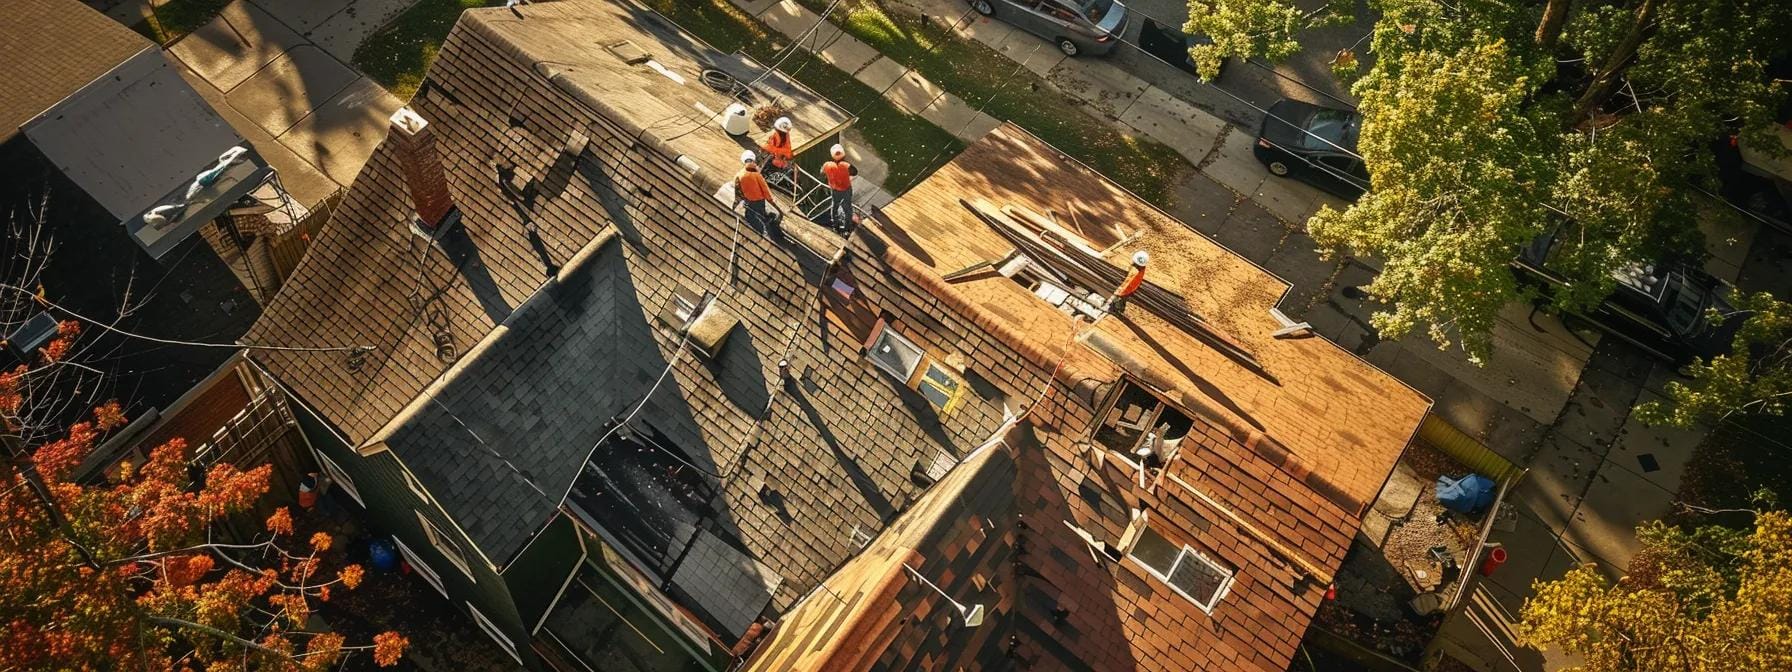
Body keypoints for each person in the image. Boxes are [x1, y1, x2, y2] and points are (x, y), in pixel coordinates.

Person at [735, 150, 776, 235]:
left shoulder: (739, 175)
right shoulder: (757, 175)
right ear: (753, 160)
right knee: (760, 214)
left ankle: (763, 230)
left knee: (750, 216)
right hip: (760, 201)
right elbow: (765, 189)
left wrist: (738, 202)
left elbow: (738, 190)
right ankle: (767, 227)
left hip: (749, 201)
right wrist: (771, 200)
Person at [820, 144, 857, 229]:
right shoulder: (845, 165)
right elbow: (855, 172)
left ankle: (835, 224)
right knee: (847, 208)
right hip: (846, 189)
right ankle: (848, 226)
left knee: (834, 206)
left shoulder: (827, 165)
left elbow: (821, 172)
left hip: (834, 189)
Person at [1109, 250, 1149, 315]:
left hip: (1126, 289)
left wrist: (1118, 292)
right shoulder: (1142, 269)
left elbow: (1126, 282)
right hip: (1131, 288)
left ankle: (1115, 311)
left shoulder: (1134, 271)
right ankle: (1120, 309)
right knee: (1123, 299)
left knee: (1118, 300)